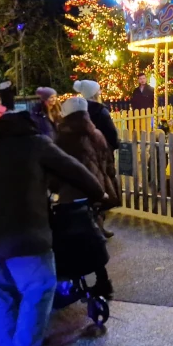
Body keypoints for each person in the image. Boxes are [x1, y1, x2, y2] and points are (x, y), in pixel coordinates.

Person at [0, 110, 105, 346]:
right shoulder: (35, 144)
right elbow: (77, 173)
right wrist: (97, 193)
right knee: (39, 289)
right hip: (24, 235)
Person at [52, 96, 121, 296]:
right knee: (93, 235)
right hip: (97, 190)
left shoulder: (62, 138)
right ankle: (102, 279)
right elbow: (108, 163)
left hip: (72, 193)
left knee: (73, 237)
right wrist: (108, 185)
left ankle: (75, 279)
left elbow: (56, 168)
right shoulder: (97, 134)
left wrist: (53, 188)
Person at [74, 80, 119, 151]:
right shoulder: (101, 110)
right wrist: (115, 145)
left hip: (84, 150)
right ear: (94, 94)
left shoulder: (78, 110)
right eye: (98, 91)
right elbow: (111, 133)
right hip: (102, 149)